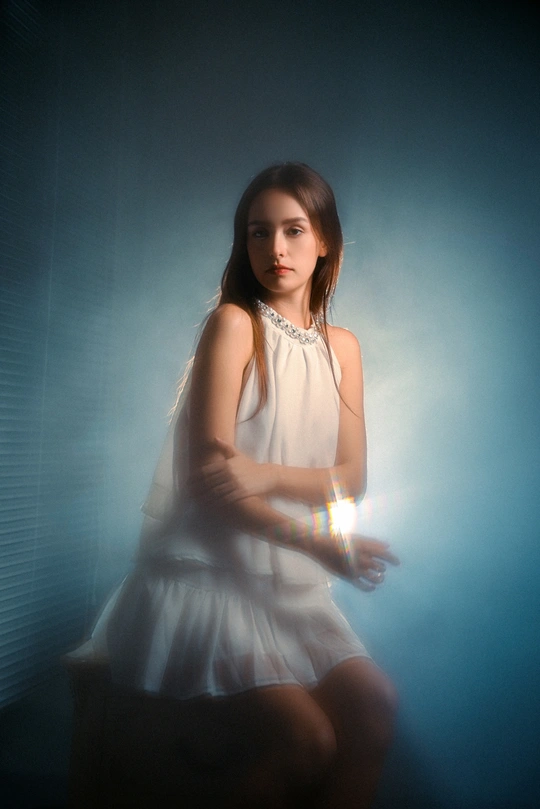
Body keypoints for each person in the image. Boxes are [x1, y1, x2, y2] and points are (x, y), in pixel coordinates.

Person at [97, 162, 399, 808]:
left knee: (375, 707)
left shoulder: (343, 348)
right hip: (209, 579)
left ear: (325, 241)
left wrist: (261, 474)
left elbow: (350, 478)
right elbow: (212, 485)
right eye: (259, 233)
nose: (275, 248)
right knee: (307, 742)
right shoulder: (234, 324)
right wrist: (319, 544)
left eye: (294, 230)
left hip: (285, 586)